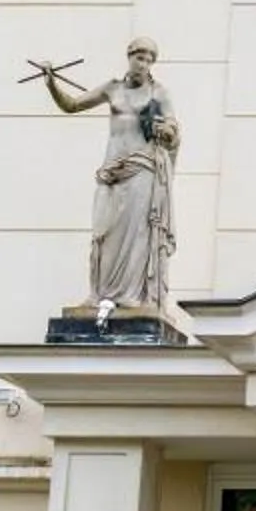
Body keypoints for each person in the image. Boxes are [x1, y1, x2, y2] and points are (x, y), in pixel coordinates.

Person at [31, 39, 179, 317]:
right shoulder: (113, 89)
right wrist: (51, 82)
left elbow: (172, 130)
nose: (143, 63)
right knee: (104, 233)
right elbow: (72, 105)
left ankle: (133, 297)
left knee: (136, 235)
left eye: (148, 59)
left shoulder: (159, 94)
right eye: (139, 57)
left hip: (142, 171)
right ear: (129, 57)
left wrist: (165, 130)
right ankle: (100, 294)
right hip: (111, 174)